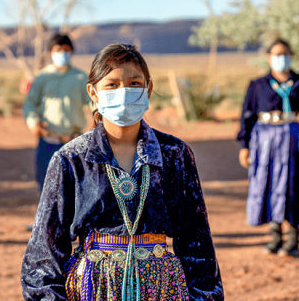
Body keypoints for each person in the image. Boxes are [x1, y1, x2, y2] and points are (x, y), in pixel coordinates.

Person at [21, 43, 224, 300]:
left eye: (134, 83)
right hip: (93, 289)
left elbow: (198, 245)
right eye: (112, 85)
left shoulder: (175, 154)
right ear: (93, 92)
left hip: (162, 289)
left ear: (148, 89)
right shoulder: (70, 159)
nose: (124, 91)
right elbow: (43, 256)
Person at [237, 38, 299, 256]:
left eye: (285, 54)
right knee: (268, 184)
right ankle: (276, 236)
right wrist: (244, 145)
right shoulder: (257, 85)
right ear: (268, 58)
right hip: (266, 144)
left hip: (297, 143)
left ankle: (293, 239)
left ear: (291, 56)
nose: (281, 59)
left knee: (295, 184)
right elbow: (247, 117)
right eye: (276, 54)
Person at [23, 33, 90, 193]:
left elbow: (94, 104)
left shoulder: (80, 77)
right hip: (48, 140)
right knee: (47, 189)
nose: (63, 54)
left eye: (67, 50)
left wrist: (96, 125)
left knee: (76, 189)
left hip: (74, 141)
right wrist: (33, 123)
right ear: (51, 53)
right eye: (59, 50)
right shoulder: (42, 77)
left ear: (72, 52)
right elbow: (29, 103)